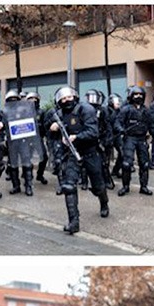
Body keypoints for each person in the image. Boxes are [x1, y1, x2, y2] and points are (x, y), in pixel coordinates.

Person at [45, 86, 110, 235]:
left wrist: (76, 137)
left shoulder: (85, 109)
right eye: (63, 98)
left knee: (98, 186)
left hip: (90, 153)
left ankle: (104, 203)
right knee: (68, 186)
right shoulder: (58, 114)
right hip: (72, 154)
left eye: (69, 97)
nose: (66, 100)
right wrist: (53, 129)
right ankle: (74, 222)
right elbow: (49, 134)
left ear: (74, 96)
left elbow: (93, 132)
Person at [113, 86, 154, 197]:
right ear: (131, 96)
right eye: (136, 94)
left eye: (140, 95)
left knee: (144, 164)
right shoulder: (126, 109)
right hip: (129, 138)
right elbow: (117, 122)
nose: (138, 97)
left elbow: (151, 125)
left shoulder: (146, 110)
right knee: (126, 164)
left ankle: (144, 187)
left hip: (142, 139)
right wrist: (121, 130)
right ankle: (125, 186)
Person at [26, 92, 49, 189]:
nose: (33, 100)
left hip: (38, 138)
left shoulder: (42, 112)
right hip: (27, 138)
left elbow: (45, 125)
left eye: (35, 98)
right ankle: (28, 178)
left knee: (44, 157)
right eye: (30, 99)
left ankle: (40, 175)